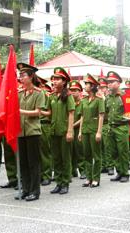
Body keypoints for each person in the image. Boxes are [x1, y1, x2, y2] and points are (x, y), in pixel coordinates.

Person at [16, 63, 45, 201]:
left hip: (33, 132)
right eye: (20, 75)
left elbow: (38, 112)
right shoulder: (19, 94)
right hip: (21, 132)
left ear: (31, 76)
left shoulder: (39, 93)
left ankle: (35, 191)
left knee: (33, 163)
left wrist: (21, 112)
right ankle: (26, 189)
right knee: (23, 163)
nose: (20, 78)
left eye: (23, 75)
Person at [47, 67, 75, 195]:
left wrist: (70, 131)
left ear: (64, 82)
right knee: (56, 158)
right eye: (53, 79)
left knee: (65, 158)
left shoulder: (68, 96)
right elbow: (48, 113)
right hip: (53, 131)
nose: (54, 81)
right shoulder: (51, 96)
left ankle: (65, 183)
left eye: (57, 79)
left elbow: (71, 113)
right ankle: (58, 182)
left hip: (64, 131)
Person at [79, 74, 104, 188]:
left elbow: (101, 116)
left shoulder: (99, 100)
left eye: (87, 84)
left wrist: (99, 132)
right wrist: (79, 131)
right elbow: (82, 116)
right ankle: (88, 178)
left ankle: (96, 178)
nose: (85, 86)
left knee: (96, 155)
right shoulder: (83, 100)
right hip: (85, 130)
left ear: (93, 86)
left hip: (94, 130)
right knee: (86, 155)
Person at [105, 71, 130, 183]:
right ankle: (119, 172)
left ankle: (125, 173)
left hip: (122, 127)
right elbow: (106, 112)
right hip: (111, 127)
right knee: (113, 151)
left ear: (119, 83)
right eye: (108, 82)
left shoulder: (125, 96)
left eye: (112, 82)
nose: (109, 84)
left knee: (123, 151)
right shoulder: (108, 97)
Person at [69, 80, 85, 179]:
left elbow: (83, 117)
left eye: (75, 90)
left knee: (80, 151)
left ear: (80, 91)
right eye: (71, 90)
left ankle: (83, 170)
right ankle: (72, 170)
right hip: (71, 130)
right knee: (71, 151)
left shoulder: (83, 102)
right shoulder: (69, 102)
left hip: (80, 129)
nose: (73, 92)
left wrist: (73, 125)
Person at [39, 80, 53, 185]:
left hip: (44, 124)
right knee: (36, 153)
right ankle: (39, 175)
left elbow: (50, 112)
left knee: (45, 152)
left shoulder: (46, 95)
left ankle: (47, 175)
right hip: (34, 125)